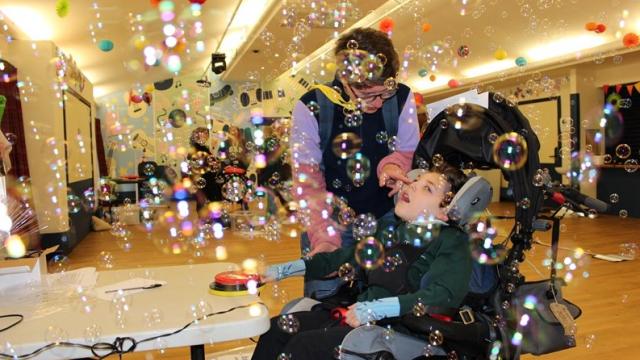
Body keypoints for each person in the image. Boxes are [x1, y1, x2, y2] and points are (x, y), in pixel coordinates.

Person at [251, 163, 472, 360]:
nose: (412, 186)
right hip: (359, 317)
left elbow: (443, 295)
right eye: (416, 180)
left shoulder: (452, 241)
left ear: (446, 212)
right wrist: (281, 270)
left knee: (304, 347)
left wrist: (378, 308)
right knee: (275, 331)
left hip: (400, 329)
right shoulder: (392, 230)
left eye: (428, 188)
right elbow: (340, 260)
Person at [290, 27, 420, 298]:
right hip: (328, 218)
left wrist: (393, 166)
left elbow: (407, 152)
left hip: (385, 216)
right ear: (345, 80)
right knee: (323, 302)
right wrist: (324, 239)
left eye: (384, 93)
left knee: (383, 299)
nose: (378, 104)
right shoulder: (311, 105)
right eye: (368, 96)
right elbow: (308, 182)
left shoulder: (403, 97)